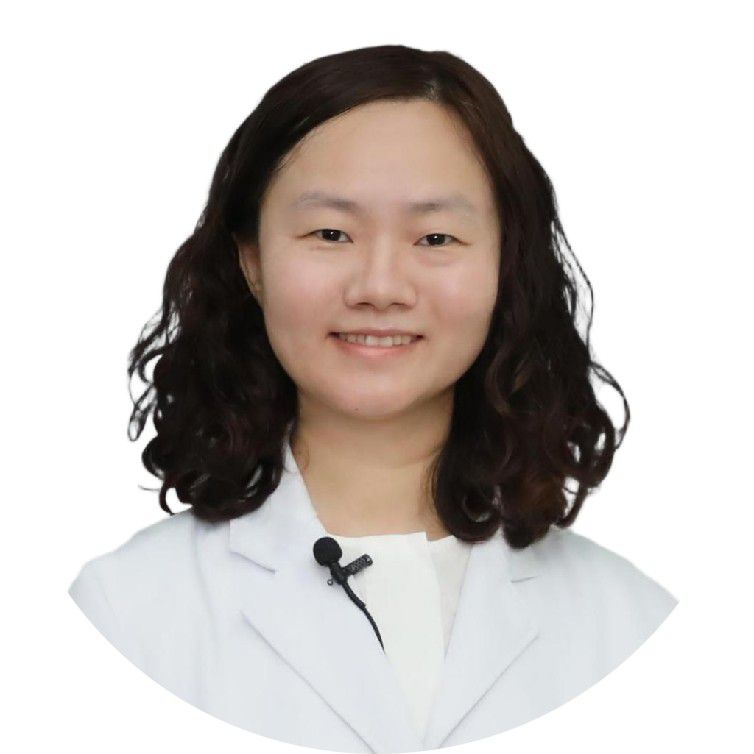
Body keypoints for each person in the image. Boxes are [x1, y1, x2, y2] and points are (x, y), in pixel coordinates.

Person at [68, 44, 678, 753]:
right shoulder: (121, 618)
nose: (380, 287)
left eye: (436, 237)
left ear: (506, 264)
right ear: (252, 260)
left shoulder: (632, 626)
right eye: (330, 233)